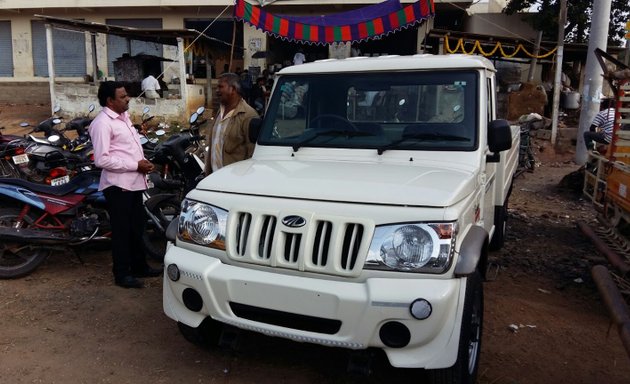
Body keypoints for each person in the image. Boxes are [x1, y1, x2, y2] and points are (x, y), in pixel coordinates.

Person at [89, 81, 162, 289]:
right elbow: (101, 160)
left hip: (134, 183)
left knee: (137, 227)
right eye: (122, 96)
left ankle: (140, 266)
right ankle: (122, 274)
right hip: (118, 186)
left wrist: (143, 162)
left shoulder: (124, 117)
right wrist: (135, 165)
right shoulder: (102, 124)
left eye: (126, 95)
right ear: (110, 101)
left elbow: (127, 149)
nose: (127, 98)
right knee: (122, 231)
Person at [204, 73, 259, 175]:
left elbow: (253, 154)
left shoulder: (248, 115)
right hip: (214, 178)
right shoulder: (220, 112)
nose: (217, 90)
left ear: (233, 89)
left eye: (221, 87)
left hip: (233, 180)